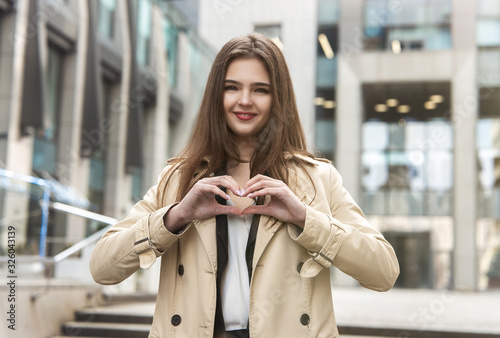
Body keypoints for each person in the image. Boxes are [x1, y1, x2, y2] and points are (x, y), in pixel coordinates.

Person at [90, 33, 399, 338]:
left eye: (260, 89)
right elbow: (102, 268)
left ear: (278, 99)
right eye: (232, 87)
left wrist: (305, 219)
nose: (245, 100)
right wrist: (175, 217)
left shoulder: (316, 179)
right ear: (216, 95)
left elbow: (383, 271)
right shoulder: (178, 178)